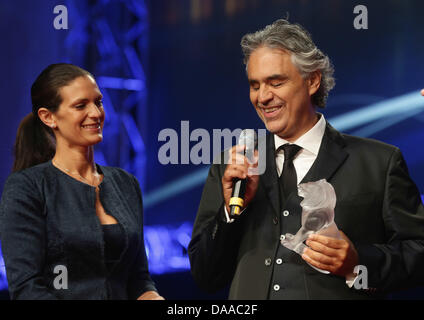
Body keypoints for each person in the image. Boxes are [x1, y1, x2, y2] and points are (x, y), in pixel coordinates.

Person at [188, 19, 424, 299]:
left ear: (312, 80)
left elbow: (418, 254)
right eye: (255, 85)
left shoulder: (379, 162)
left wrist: (358, 262)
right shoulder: (233, 166)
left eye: (276, 82)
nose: (263, 97)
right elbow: (205, 275)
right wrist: (229, 213)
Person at [0, 63, 163, 300]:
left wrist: (153, 297)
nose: (96, 113)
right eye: (80, 105)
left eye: (98, 102)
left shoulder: (126, 184)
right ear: (49, 117)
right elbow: (26, 288)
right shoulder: (27, 188)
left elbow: (138, 278)